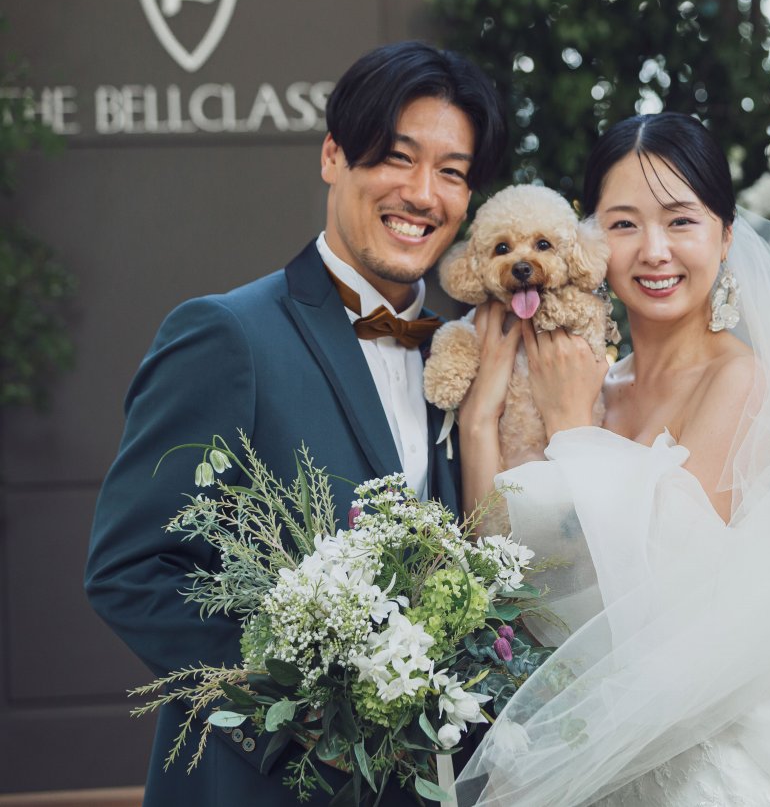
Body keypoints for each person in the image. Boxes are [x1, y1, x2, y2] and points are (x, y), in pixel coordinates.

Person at [83, 41, 506, 807]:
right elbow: (130, 569)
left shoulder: (463, 353)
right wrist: (305, 716)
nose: (422, 193)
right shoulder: (227, 335)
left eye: (452, 172)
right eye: (397, 157)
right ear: (333, 154)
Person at [454, 113, 770, 806]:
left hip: (693, 773)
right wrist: (480, 417)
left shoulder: (742, 382)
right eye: (624, 224)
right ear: (590, 241)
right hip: (581, 756)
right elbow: (495, 553)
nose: (654, 251)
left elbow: (671, 596)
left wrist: (572, 429)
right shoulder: (594, 379)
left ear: (725, 236)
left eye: (680, 221)